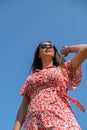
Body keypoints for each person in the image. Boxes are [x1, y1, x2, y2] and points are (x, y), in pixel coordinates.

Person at [13, 41, 87, 130]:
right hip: (34, 122)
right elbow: (24, 106)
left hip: (60, 116)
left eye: (51, 46)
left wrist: (69, 49)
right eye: (43, 46)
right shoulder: (31, 78)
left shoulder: (64, 68)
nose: (48, 47)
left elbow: (85, 49)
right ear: (38, 54)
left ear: (55, 51)